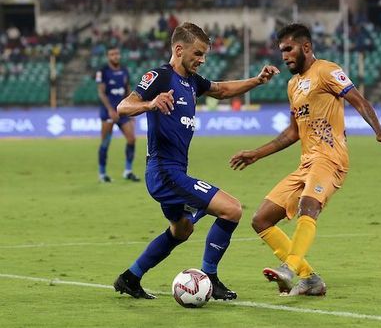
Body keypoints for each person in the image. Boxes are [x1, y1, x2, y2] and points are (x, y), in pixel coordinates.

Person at [113, 22, 279, 300]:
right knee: (232, 209)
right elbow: (123, 106)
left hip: (174, 172)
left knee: (181, 230)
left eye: (204, 55)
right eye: (198, 54)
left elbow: (222, 90)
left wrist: (257, 80)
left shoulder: (191, 81)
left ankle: (130, 277)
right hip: (165, 173)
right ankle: (210, 279)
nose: (202, 60)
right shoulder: (159, 77)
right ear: (179, 49)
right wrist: (150, 104)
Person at [230, 23, 381, 296]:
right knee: (261, 220)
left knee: (309, 205)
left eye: (289, 49)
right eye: (281, 50)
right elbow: (293, 133)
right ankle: (310, 279)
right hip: (306, 164)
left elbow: (359, 101)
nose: (284, 56)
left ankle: (289, 267)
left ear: (306, 47)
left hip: (331, 159)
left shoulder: (327, 71)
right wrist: (256, 154)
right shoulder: (292, 85)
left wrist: (379, 132)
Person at [96, 46, 140, 183]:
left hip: (122, 111)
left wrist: (131, 109)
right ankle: (102, 173)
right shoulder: (103, 71)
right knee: (105, 142)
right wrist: (110, 109)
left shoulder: (124, 70)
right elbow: (101, 92)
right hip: (108, 112)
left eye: (117, 54)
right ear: (108, 56)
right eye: (112, 54)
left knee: (131, 139)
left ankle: (128, 171)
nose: (115, 56)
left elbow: (127, 90)